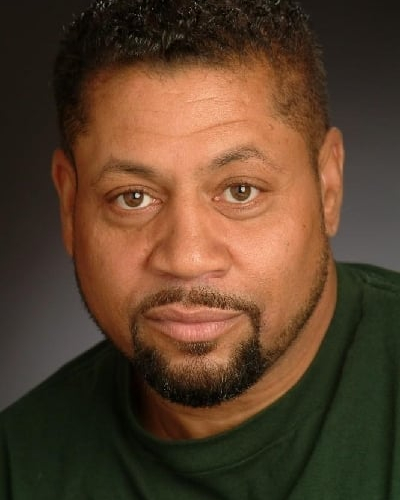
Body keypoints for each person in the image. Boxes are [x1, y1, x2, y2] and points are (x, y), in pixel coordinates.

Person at [1, 0, 399, 497]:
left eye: (241, 191)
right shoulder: (16, 470)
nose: (186, 260)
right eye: (133, 197)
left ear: (328, 187)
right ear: (69, 205)